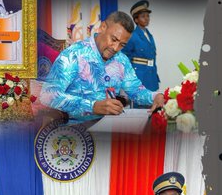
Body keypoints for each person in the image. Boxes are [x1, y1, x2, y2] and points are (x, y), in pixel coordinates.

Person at [38, 10, 167, 124]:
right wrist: (92, 106)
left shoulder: (122, 60)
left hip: (109, 126)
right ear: (102, 27)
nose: (116, 48)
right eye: (114, 39)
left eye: (122, 44)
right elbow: (48, 94)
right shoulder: (74, 54)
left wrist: (155, 96)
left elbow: (136, 90)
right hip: (75, 130)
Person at [120, 0, 159, 91]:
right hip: (139, 76)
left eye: (148, 16)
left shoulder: (149, 35)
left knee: (151, 102)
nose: (146, 18)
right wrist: (129, 77)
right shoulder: (132, 36)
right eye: (143, 16)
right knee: (140, 103)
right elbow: (124, 57)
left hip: (151, 75)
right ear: (136, 20)